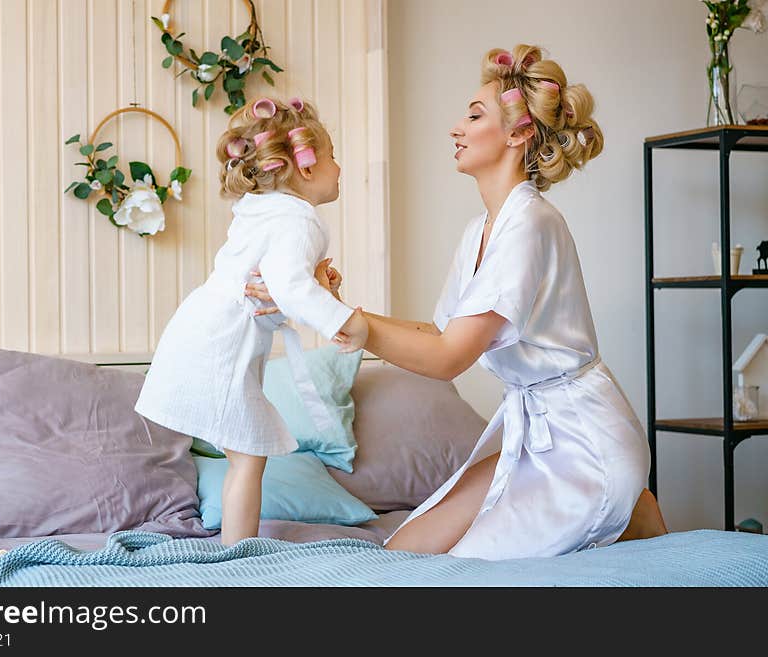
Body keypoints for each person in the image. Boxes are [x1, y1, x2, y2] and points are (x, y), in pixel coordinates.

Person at [245, 44, 668, 560]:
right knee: (404, 550)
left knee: (463, 568)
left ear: (519, 133)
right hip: (535, 431)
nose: (456, 129)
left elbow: (448, 360)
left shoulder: (531, 223)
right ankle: (634, 515)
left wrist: (340, 317)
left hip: (583, 440)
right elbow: (438, 332)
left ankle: (629, 511)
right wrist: (334, 303)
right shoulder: (480, 230)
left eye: (474, 115)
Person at [135, 96, 369, 546]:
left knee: (247, 454)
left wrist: (322, 288)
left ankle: (236, 549)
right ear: (305, 168)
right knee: (249, 457)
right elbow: (288, 285)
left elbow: (279, 283)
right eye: (334, 157)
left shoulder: (262, 210)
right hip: (222, 346)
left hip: (200, 330)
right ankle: (237, 555)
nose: (340, 168)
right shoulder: (300, 221)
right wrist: (343, 321)